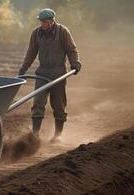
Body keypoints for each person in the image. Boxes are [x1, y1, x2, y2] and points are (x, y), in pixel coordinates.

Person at [18, 8, 81, 143]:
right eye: (41, 21)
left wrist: (75, 63)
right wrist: (23, 69)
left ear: (52, 21)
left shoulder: (62, 32)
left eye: (45, 21)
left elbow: (71, 49)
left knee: (58, 104)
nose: (43, 24)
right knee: (38, 104)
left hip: (58, 73)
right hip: (42, 73)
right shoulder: (36, 34)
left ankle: (58, 135)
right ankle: (35, 135)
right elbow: (31, 53)